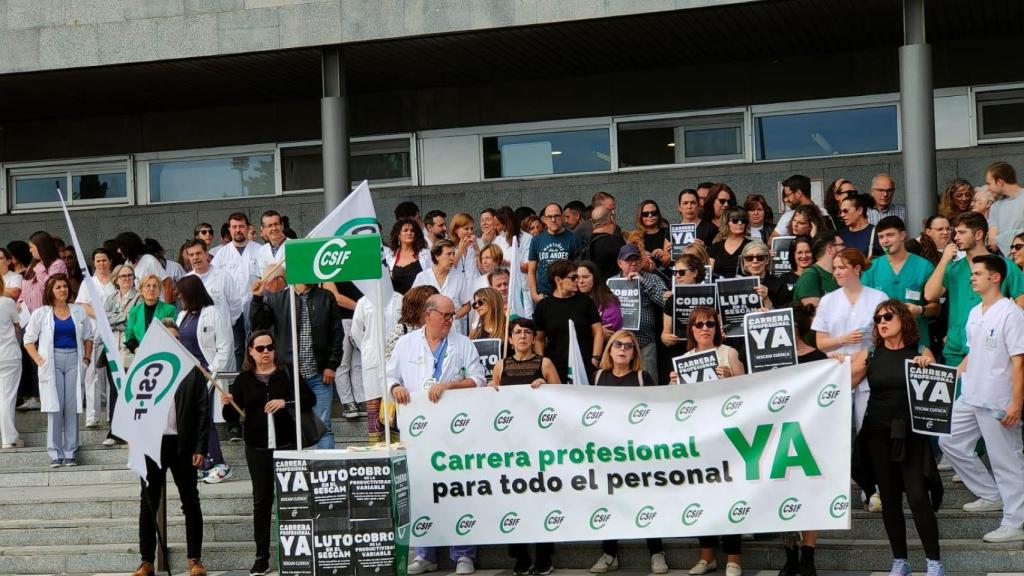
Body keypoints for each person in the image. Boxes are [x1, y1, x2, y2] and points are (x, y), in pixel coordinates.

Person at [834, 300, 943, 576]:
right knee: (890, 499)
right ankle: (900, 560)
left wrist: (927, 366)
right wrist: (835, 367)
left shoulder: (920, 351)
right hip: (877, 433)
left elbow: (938, 388)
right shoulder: (870, 353)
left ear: (903, 320)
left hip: (911, 434)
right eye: (877, 318)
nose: (881, 322)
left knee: (919, 497)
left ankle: (934, 562)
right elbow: (844, 382)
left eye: (887, 317)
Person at [388, 295, 486, 576]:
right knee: (421, 489)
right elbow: (390, 375)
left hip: (456, 430)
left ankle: (464, 554)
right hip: (418, 432)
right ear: (428, 314)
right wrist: (396, 387)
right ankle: (424, 553)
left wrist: (450, 385)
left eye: (452, 315)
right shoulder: (406, 344)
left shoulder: (462, 343)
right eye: (445, 315)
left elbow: (478, 379)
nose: (449, 319)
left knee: (458, 489)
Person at [938, 255, 1024, 543]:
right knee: (948, 440)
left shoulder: (1011, 313)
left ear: (995, 277)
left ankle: (1014, 521)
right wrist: (948, 375)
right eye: (971, 273)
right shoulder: (975, 312)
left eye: (977, 273)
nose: (971, 278)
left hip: (998, 399)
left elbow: (1019, 361)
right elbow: (972, 353)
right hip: (971, 394)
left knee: (1006, 461)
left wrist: (1016, 402)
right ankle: (990, 494)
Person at [222, 330, 314, 576]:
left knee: (294, 499)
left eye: (269, 347)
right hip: (258, 448)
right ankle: (261, 556)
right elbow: (231, 418)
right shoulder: (243, 380)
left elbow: (310, 399)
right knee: (261, 501)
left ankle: (298, 553)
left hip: (287, 445)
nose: (266, 353)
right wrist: (227, 404)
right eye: (260, 348)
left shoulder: (286, 373)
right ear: (251, 351)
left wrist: (286, 402)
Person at [667, 307, 744, 576]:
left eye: (710, 323)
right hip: (698, 437)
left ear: (717, 327)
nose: (705, 328)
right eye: (699, 324)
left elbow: (751, 390)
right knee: (703, 497)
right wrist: (673, 384)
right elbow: (678, 405)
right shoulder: (683, 359)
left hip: (727, 436)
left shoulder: (729, 354)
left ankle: (734, 558)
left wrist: (732, 377)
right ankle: (707, 556)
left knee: (729, 496)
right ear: (691, 329)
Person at [132, 318, 210, 576]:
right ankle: (146, 561)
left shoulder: (192, 370)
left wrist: (200, 447)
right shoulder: (145, 370)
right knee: (148, 502)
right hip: (153, 443)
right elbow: (133, 407)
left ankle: (194, 559)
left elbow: (202, 411)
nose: (172, 343)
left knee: (190, 501)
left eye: (176, 339)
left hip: (183, 444)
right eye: (166, 338)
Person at [812, 248, 888, 511]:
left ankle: (874, 489)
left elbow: (884, 336)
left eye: (842, 267)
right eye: (834, 268)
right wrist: (843, 339)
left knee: (868, 432)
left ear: (857, 268)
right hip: (836, 372)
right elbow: (820, 341)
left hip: (868, 372)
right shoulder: (828, 300)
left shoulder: (878, 298)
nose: (837, 272)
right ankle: (837, 490)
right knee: (837, 435)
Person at [589, 329, 667, 576]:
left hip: (638, 452)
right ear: (609, 350)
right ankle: (610, 554)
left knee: (645, 501)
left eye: (628, 346)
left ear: (634, 352)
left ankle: (656, 552)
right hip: (607, 453)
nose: (622, 349)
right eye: (617, 345)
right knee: (609, 502)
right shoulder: (598, 377)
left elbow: (657, 411)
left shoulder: (643, 377)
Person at [249, 275, 344, 450]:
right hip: (288, 375)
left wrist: (332, 365)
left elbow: (337, 334)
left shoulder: (325, 297)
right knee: (287, 426)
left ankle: (324, 470)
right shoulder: (277, 299)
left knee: (323, 426)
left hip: (318, 374)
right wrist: (257, 298)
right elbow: (258, 326)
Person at [924, 212, 1024, 370]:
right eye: (955, 232)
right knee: (958, 394)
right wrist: (943, 261)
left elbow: (1021, 302)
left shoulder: (1004, 265)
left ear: (978, 234)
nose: (955, 237)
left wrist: (1006, 333)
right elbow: (930, 295)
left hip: (992, 348)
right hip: (956, 348)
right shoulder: (953, 267)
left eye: (962, 232)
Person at [23, 274, 93, 467]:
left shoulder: (78, 311)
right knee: (54, 408)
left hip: (74, 360)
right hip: (51, 361)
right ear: (50, 291)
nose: (62, 290)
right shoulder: (41, 313)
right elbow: (28, 340)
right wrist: (38, 359)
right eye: (58, 287)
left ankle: (70, 452)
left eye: (64, 286)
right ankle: (55, 453)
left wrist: (86, 359)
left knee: (72, 407)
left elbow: (89, 337)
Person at [176, 275, 233, 484]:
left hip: (206, 375)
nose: (180, 297)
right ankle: (202, 463)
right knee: (191, 420)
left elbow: (224, 346)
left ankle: (218, 463)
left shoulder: (213, 314)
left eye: (182, 294)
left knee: (204, 419)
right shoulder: (182, 316)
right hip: (185, 377)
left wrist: (213, 370)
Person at [861, 217, 938, 343]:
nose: (885, 241)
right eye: (881, 237)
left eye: (890, 235)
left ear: (903, 235)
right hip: (883, 342)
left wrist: (920, 310)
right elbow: (863, 306)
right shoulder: (871, 268)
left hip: (917, 340)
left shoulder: (924, 266)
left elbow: (936, 307)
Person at [349, 286, 404, 443]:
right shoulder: (363, 302)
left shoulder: (399, 299)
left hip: (396, 362)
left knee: (396, 411)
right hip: (373, 362)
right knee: (375, 411)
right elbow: (356, 332)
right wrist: (367, 348)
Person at [533, 260, 603, 383]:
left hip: (585, 365)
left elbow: (598, 331)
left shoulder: (586, 302)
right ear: (558, 280)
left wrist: (595, 358)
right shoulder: (543, 306)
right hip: (555, 368)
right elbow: (538, 339)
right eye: (573, 277)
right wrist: (542, 363)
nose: (577, 280)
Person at [211, 212, 263, 369]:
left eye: (241, 226)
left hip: (256, 307)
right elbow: (214, 281)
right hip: (232, 310)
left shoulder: (259, 250)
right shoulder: (221, 254)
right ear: (229, 229)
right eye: (234, 227)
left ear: (248, 228)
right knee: (238, 348)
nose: (238, 230)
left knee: (258, 345)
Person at [75, 247, 116, 428]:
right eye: (98, 260)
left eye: (104, 260)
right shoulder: (88, 283)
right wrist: (101, 315)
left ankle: (111, 414)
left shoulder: (117, 280)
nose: (101, 263)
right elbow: (82, 305)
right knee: (92, 374)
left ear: (110, 262)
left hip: (115, 332)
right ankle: (92, 415)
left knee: (111, 374)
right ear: (93, 263)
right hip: (93, 332)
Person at [610, 245, 667, 372]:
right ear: (620, 263)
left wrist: (642, 281)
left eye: (637, 260)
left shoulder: (653, 278)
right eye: (629, 260)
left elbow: (666, 303)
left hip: (645, 342)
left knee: (648, 384)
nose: (633, 263)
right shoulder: (611, 282)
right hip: (619, 344)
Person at [185, 239, 241, 359]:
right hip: (197, 336)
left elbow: (235, 305)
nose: (195, 257)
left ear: (206, 254)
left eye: (198, 253)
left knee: (222, 372)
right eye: (191, 255)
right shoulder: (186, 280)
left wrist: (224, 325)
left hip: (222, 336)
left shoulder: (223, 276)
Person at [413, 239, 473, 335]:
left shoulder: (459, 277)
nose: (452, 258)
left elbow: (467, 306)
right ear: (437, 256)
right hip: (428, 329)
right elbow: (413, 304)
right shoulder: (422, 277)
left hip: (453, 329)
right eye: (448, 254)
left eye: (453, 254)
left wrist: (452, 317)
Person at [528, 203, 581, 303]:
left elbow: (578, 270)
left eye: (556, 216)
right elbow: (531, 270)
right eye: (549, 216)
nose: (553, 219)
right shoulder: (537, 240)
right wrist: (534, 294)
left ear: (562, 217)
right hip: (544, 295)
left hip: (566, 294)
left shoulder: (573, 239)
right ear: (544, 219)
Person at [491, 318, 559, 389]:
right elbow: (495, 397)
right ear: (510, 339)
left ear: (534, 339)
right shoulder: (500, 366)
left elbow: (559, 394)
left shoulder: (545, 364)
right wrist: (489, 388)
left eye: (527, 332)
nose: (523, 336)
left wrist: (546, 386)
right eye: (518, 332)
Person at [122, 274, 178, 355]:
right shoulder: (134, 311)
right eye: (148, 286)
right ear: (141, 290)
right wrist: (136, 349)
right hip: (139, 354)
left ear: (159, 291)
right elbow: (129, 335)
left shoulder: (169, 309)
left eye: (155, 286)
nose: (151, 289)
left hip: (162, 353)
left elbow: (171, 335)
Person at [114, 231, 171, 302]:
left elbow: (167, 283)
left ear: (128, 247)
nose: (118, 251)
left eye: (120, 247)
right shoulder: (127, 263)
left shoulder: (149, 260)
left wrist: (167, 308)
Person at [793, 232, 845, 307]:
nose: (846, 248)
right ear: (831, 248)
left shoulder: (839, 274)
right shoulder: (810, 276)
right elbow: (813, 316)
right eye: (842, 245)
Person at [0, 274, 22, 448]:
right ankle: (9, 438)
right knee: (7, 397)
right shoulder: (7, 303)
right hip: (9, 355)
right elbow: (17, 325)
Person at [772, 175, 827, 242]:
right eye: (794, 221)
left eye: (788, 195)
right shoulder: (824, 212)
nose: (786, 199)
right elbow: (772, 241)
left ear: (799, 193)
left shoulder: (823, 213)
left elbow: (772, 242)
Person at [385, 218, 432, 295]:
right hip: (397, 303)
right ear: (398, 235)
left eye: (412, 230)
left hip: (420, 301)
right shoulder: (390, 256)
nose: (409, 233)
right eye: (405, 230)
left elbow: (432, 277)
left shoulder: (426, 254)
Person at [985, 161, 1024, 255]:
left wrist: (1001, 239)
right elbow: (993, 242)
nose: (988, 188)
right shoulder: (995, 207)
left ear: (999, 182)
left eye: (989, 184)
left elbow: (997, 240)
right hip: (1005, 264)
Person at [576, 261, 622, 341]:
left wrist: (582, 328)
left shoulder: (609, 300)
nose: (581, 281)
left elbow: (610, 328)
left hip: (603, 349)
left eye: (585, 277)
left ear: (595, 278)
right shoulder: (571, 299)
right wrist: (594, 331)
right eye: (577, 277)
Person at [739, 240, 790, 309]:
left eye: (760, 257)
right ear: (744, 262)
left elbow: (785, 316)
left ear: (767, 260)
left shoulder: (780, 285)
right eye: (749, 258)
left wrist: (766, 299)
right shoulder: (738, 286)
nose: (755, 261)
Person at [708, 206, 751, 278]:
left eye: (743, 220)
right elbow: (708, 274)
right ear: (726, 223)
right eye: (735, 220)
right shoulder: (715, 247)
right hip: (719, 286)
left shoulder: (751, 245)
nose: (740, 223)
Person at [585, 205, 626, 281]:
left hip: (593, 290)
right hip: (611, 290)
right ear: (611, 218)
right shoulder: (616, 243)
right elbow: (630, 264)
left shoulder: (586, 243)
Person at [839, 192, 881, 258]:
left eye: (845, 211)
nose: (842, 215)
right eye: (841, 211)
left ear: (859, 210)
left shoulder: (876, 232)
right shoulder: (841, 234)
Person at [634, 200, 672, 267]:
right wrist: (642, 255)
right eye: (645, 214)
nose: (650, 216)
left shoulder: (669, 232)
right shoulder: (636, 237)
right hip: (645, 275)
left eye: (654, 213)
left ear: (658, 214)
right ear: (640, 216)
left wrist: (665, 254)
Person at [254, 210, 288, 277]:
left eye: (276, 224)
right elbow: (261, 277)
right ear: (263, 229)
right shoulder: (262, 250)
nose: (274, 228)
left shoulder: (293, 247)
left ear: (282, 226)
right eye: (269, 226)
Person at [449, 213, 481, 281]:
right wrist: (460, 250)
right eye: (466, 228)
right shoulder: (448, 246)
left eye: (471, 228)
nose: (470, 232)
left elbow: (483, 270)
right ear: (456, 230)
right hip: (458, 287)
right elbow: (449, 268)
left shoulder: (478, 242)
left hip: (475, 287)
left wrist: (476, 249)